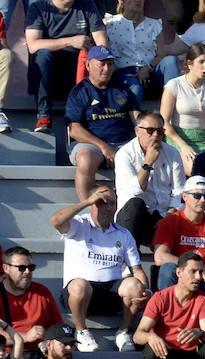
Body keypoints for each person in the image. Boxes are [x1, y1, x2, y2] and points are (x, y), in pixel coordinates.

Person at [52, 186, 149, 353]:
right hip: (79, 294)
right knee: (80, 285)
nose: (108, 207)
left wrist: (145, 291)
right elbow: (56, 220)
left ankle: (123, 332)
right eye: (101, 202)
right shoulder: (79, 225)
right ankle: (81, 332)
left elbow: (137, 270)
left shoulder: (123, 234)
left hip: (110, 293)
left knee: (135, 285)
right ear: (91, 204)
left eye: (112, 203)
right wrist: (87, 201)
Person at [25, 0, 109, 133]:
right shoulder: (38, 7)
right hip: (48, 77)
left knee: (100, 58)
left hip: (78, 73)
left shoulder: (87, 5)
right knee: (42, 55)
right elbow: (33, 45)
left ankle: (90, 113)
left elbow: (103, 45)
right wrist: (70, 41)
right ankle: (44, 115)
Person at [115, 112, 185, 249]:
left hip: (164, 214)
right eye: (150, 131)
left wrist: (168, 217)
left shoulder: (172, 153)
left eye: (160, 131)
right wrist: (148, 162)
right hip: (135, 218)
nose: (155, 136)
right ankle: (131, 264)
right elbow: (134, 192)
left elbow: (179, 191)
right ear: (137, 131)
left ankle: (165, 266)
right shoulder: (124, 154)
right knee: (134, 204)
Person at [151, 176, 205, 291]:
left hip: (204, 282)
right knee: (168, 268)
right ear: (184, 197)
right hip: (180, 277)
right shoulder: (169, 222)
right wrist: (197, 267)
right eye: (197, 196)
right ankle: (169, 306)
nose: (202, 200)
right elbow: (160, 257)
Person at [161, 45, 205, 176]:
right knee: (196, 167)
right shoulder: (174, 85)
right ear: (189, 63)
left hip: (202, 138)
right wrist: (183, 146)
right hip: (177, 137)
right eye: (201, 62)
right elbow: (164, 122)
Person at [0, 248, 64, 359]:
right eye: (21, 268)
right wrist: (24, 337)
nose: (27, 272)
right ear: (6, 268)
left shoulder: (42, 292)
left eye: (31, 267)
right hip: (7, 357)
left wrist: (49, 336)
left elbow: (58, 328)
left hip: (39, 356)